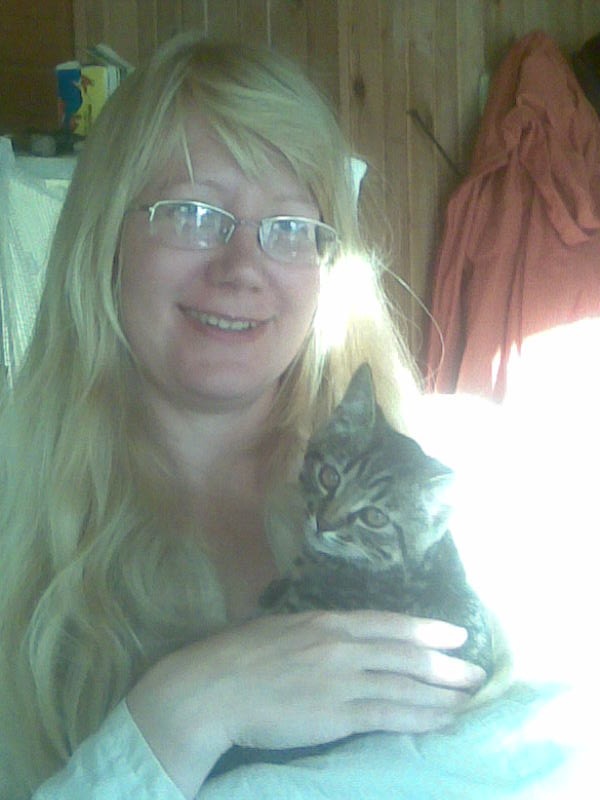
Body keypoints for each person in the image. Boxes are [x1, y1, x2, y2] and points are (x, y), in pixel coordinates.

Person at [0, 33, 487, 800]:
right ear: (105, 238)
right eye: (193, 213)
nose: (241, 269)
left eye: (290, 228)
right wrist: (185, 713)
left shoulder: (446, 495)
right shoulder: (13, 518)